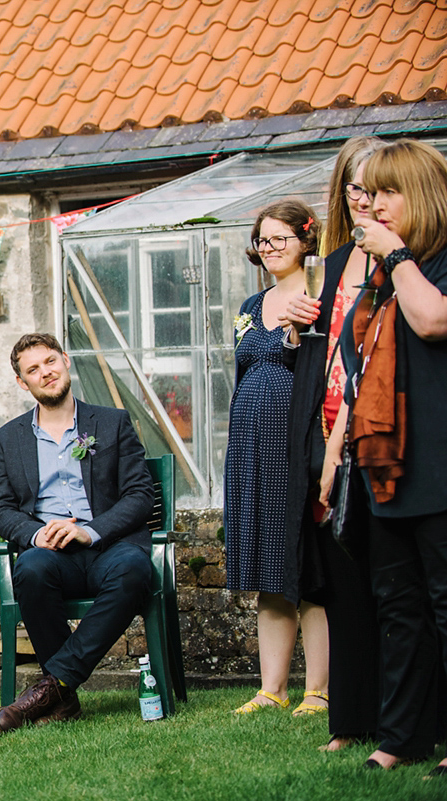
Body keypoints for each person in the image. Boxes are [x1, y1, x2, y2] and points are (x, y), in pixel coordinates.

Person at [336, 140, 447, 774]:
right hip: (391, 465)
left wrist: (399, 256)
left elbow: (433, 320)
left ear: (421, 194)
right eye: (368, 194)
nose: (372, 206)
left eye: (386, 193)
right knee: (399, 606)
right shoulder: (382, 274)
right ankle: (403, 735)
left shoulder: (424, 264)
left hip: (439, 463)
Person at [0, 333, 154, 732]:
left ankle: (55, 687)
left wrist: (90, 531)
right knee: (29, 570)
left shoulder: (111, 422)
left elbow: (140, 494)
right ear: (21, 382)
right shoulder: (8, 439)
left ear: (65, 360)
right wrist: (35, 534)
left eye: (50, 361)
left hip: (109, 546)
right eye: (33, 369)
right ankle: (63, 693)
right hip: (50, 554)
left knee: (135, 570)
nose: (45, 372)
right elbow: (1, 508)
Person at [279, 137, 385, 749]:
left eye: (373, 188)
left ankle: (407, 719)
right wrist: (299, 334)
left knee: (395, 586)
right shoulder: (336, 258)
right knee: (344, 586)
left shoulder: (412, 253)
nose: (363, 198)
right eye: (352, 187)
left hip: (382, 430)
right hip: (325, 434)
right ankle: (350, 720)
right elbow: (321, 351)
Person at [223, 200, 330, 716]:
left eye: (279, 239)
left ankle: (319, 689)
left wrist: (295, 334)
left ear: (306, 240)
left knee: (305, 568)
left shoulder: (321, 294)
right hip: (251, 449)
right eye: (262, 241)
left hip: (295, 446)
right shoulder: (250, 302)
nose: (268, 250)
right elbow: (243, 369)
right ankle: (272, 688)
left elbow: (319, 366)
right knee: (269, 570)